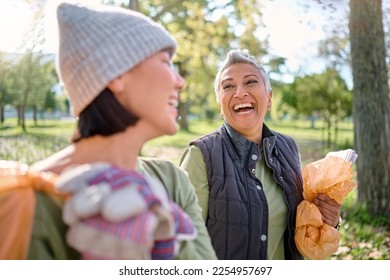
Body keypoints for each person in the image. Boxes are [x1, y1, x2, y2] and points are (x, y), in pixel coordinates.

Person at [23, 2, 217, 260]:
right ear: (116, 76)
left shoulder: (172, 180)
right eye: (165, 62)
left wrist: (166, 241)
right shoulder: (32, 200)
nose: (180, 82)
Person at [179, 49, 341, 260]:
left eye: (250, 82)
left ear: (269, 97)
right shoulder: (200, 155)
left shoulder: (288, 147)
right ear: (220, 103)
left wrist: (328, 219)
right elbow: (183, 244)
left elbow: (300, 233)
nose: (240, 92)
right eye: (228, 86)